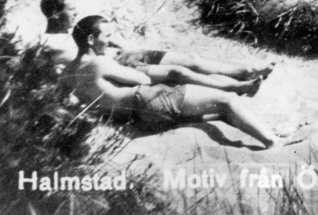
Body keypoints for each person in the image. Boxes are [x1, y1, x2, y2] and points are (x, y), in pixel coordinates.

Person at [68, 16, 288, 149]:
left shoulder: (71, 71)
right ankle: (272, 142)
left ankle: (269, 131)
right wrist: (127, 65)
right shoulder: (100, 63)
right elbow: (143, 79)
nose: (110, 40)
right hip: (148, 100)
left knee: (219, 112)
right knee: (226, 101)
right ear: (90, 39)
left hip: (137, 116)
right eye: (107, 36)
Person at [37, 0, 271, 85]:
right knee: (179, 75)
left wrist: (130, 47)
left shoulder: (77, 28)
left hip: (126, 56)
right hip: (115, 69)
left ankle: (246, 71)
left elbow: (108, 35)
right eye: (72, 10)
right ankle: (238, 85)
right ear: (56, 14)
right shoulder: (48, 44)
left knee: (190, 58)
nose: (78, 13)